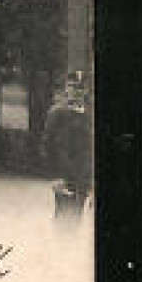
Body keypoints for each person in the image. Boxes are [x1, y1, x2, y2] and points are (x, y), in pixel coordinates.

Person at [41, 78, 91, 217]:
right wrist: (55, 176)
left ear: (85, 91)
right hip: (64, 176)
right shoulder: (57, 113)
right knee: (63, 218)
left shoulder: (88, 115)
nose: (76, 92)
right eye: (72, 87)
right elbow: (47, 146)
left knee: (77, 217)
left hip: (83, 178)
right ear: (66, 89)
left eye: (80, 88)